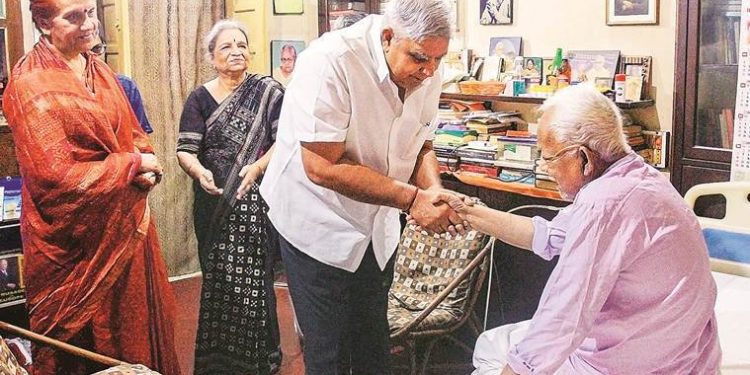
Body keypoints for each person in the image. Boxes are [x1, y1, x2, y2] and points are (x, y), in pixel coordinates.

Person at [441, 84, 721, 375]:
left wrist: (515, 371)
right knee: (492, 344)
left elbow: (566, 314)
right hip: (683, 354)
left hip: (643, 364)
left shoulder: (605, 203)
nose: (544, 167)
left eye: (548, 157)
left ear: (584, 158)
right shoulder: (636, 176)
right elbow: (548, 235)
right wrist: (469, 213)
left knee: (494, 356)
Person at [259, 0, 462, 373]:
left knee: (372, 344)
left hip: (376, 225)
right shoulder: (330, 61)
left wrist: (433, 193)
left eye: (438, 59)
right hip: (317, 222)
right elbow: (321, 166)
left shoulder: (427, 65)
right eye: (420, 58)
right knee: (329, 350)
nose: (430, 71)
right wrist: (412, 198)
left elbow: (422, 143)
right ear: (388, 37)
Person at [1, 1, 180, 374]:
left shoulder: (99, 70)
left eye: (91, 12)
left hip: (124, 226)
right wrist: (131, 166)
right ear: (44, 23)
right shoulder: (28, 83)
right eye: (74, 16)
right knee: (77, 348)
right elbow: (55, 177)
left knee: (133, 335)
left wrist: (146, 165)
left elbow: (133, 135)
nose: (89, 24)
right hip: (69, 246)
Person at [176, 19, 285, 375]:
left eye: (242, 44)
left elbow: (284, 142)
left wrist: (255, 170)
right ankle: (220, 363)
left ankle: (262, 360)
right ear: (211, 57)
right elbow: (185, 150)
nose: (236, 51)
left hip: (255, 201)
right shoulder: (200, 98)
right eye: (226, 46)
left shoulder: (268, 91)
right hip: (212, 205)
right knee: (219, 281)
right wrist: (199, 172)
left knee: (256, 281)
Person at [89, 34, 154, 134]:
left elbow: (141, 138)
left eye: (96, 49)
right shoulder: (61, 92)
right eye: (80, 53)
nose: (90, 57)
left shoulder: (125, 86)